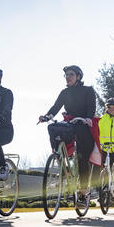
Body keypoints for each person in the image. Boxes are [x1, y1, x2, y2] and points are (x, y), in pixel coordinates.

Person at [38, 65, 96, 198]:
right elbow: (55, 107)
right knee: (53, 128)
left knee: (82, 157)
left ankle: (82, 193)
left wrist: (87, 118)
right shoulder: (64, 93)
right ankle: (61, 163)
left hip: (83, 124)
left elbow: (91, 108)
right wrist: (47, 117)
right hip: (69, 124)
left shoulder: (88, 90)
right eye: (66, 75)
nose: (68, 77)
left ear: (78, 76)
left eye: (71, 74)